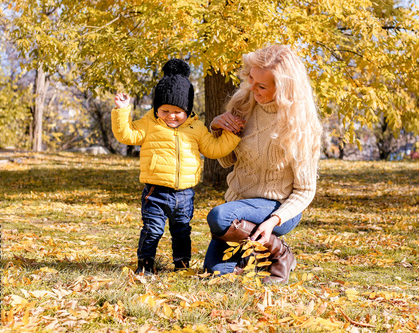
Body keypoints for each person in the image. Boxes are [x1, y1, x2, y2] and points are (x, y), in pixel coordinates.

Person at [112, 58, 243, 276]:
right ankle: (145, 264)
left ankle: (182, 265)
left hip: (185, 193)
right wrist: (122, 111)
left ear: (187, 110)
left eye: (177, 111)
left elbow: (214, 149)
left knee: (182, 231)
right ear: (157, 108)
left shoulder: (197, 127)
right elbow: (126, 135)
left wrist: (233, 135)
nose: (171, 116)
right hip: (156, 191)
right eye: (165, 111)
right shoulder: (149, 124)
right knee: (152, 230)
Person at [203, 45, 322, 283]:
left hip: (278, 208)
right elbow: (228, 160)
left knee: (218, 218)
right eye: (251, 79)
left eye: (262, 86)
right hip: (238, 206)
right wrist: (217, 128)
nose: (252, 88)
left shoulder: (302, 126)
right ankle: (251, 258)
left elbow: (305, 191)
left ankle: (279, 251)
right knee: (213, 273)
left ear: (284, 89)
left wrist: (272, 222)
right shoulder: (243, 103)